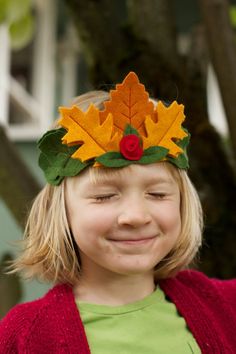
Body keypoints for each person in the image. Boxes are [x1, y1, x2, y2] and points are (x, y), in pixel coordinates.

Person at [0, 72, 235, 353]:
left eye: (158, 194)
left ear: (184, 203)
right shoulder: (23, 336)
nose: (136, 216)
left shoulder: (225, 308)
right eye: (104, 196)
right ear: (60, 210)